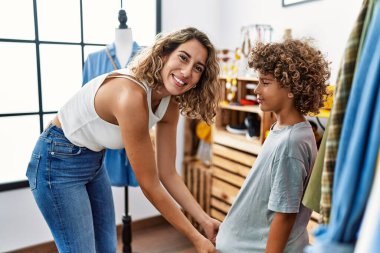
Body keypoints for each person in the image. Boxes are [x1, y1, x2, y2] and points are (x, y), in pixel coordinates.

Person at [26, 27, 221, 253]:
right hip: (56, 160)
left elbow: (167, 173)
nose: (187, 72)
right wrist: (195, 238)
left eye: (198, 68)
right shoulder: (131, 95)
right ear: (164, 54)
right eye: (183, 57)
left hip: (93, 160)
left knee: (107, 248)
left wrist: (204, 220)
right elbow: (150, 184)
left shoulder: (170, 102)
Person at [216, 39, 330, 253]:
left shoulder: (291, 143)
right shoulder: (283, 129)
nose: (257, 90)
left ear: (292, 89)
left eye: (265, 83)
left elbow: (285, 215)